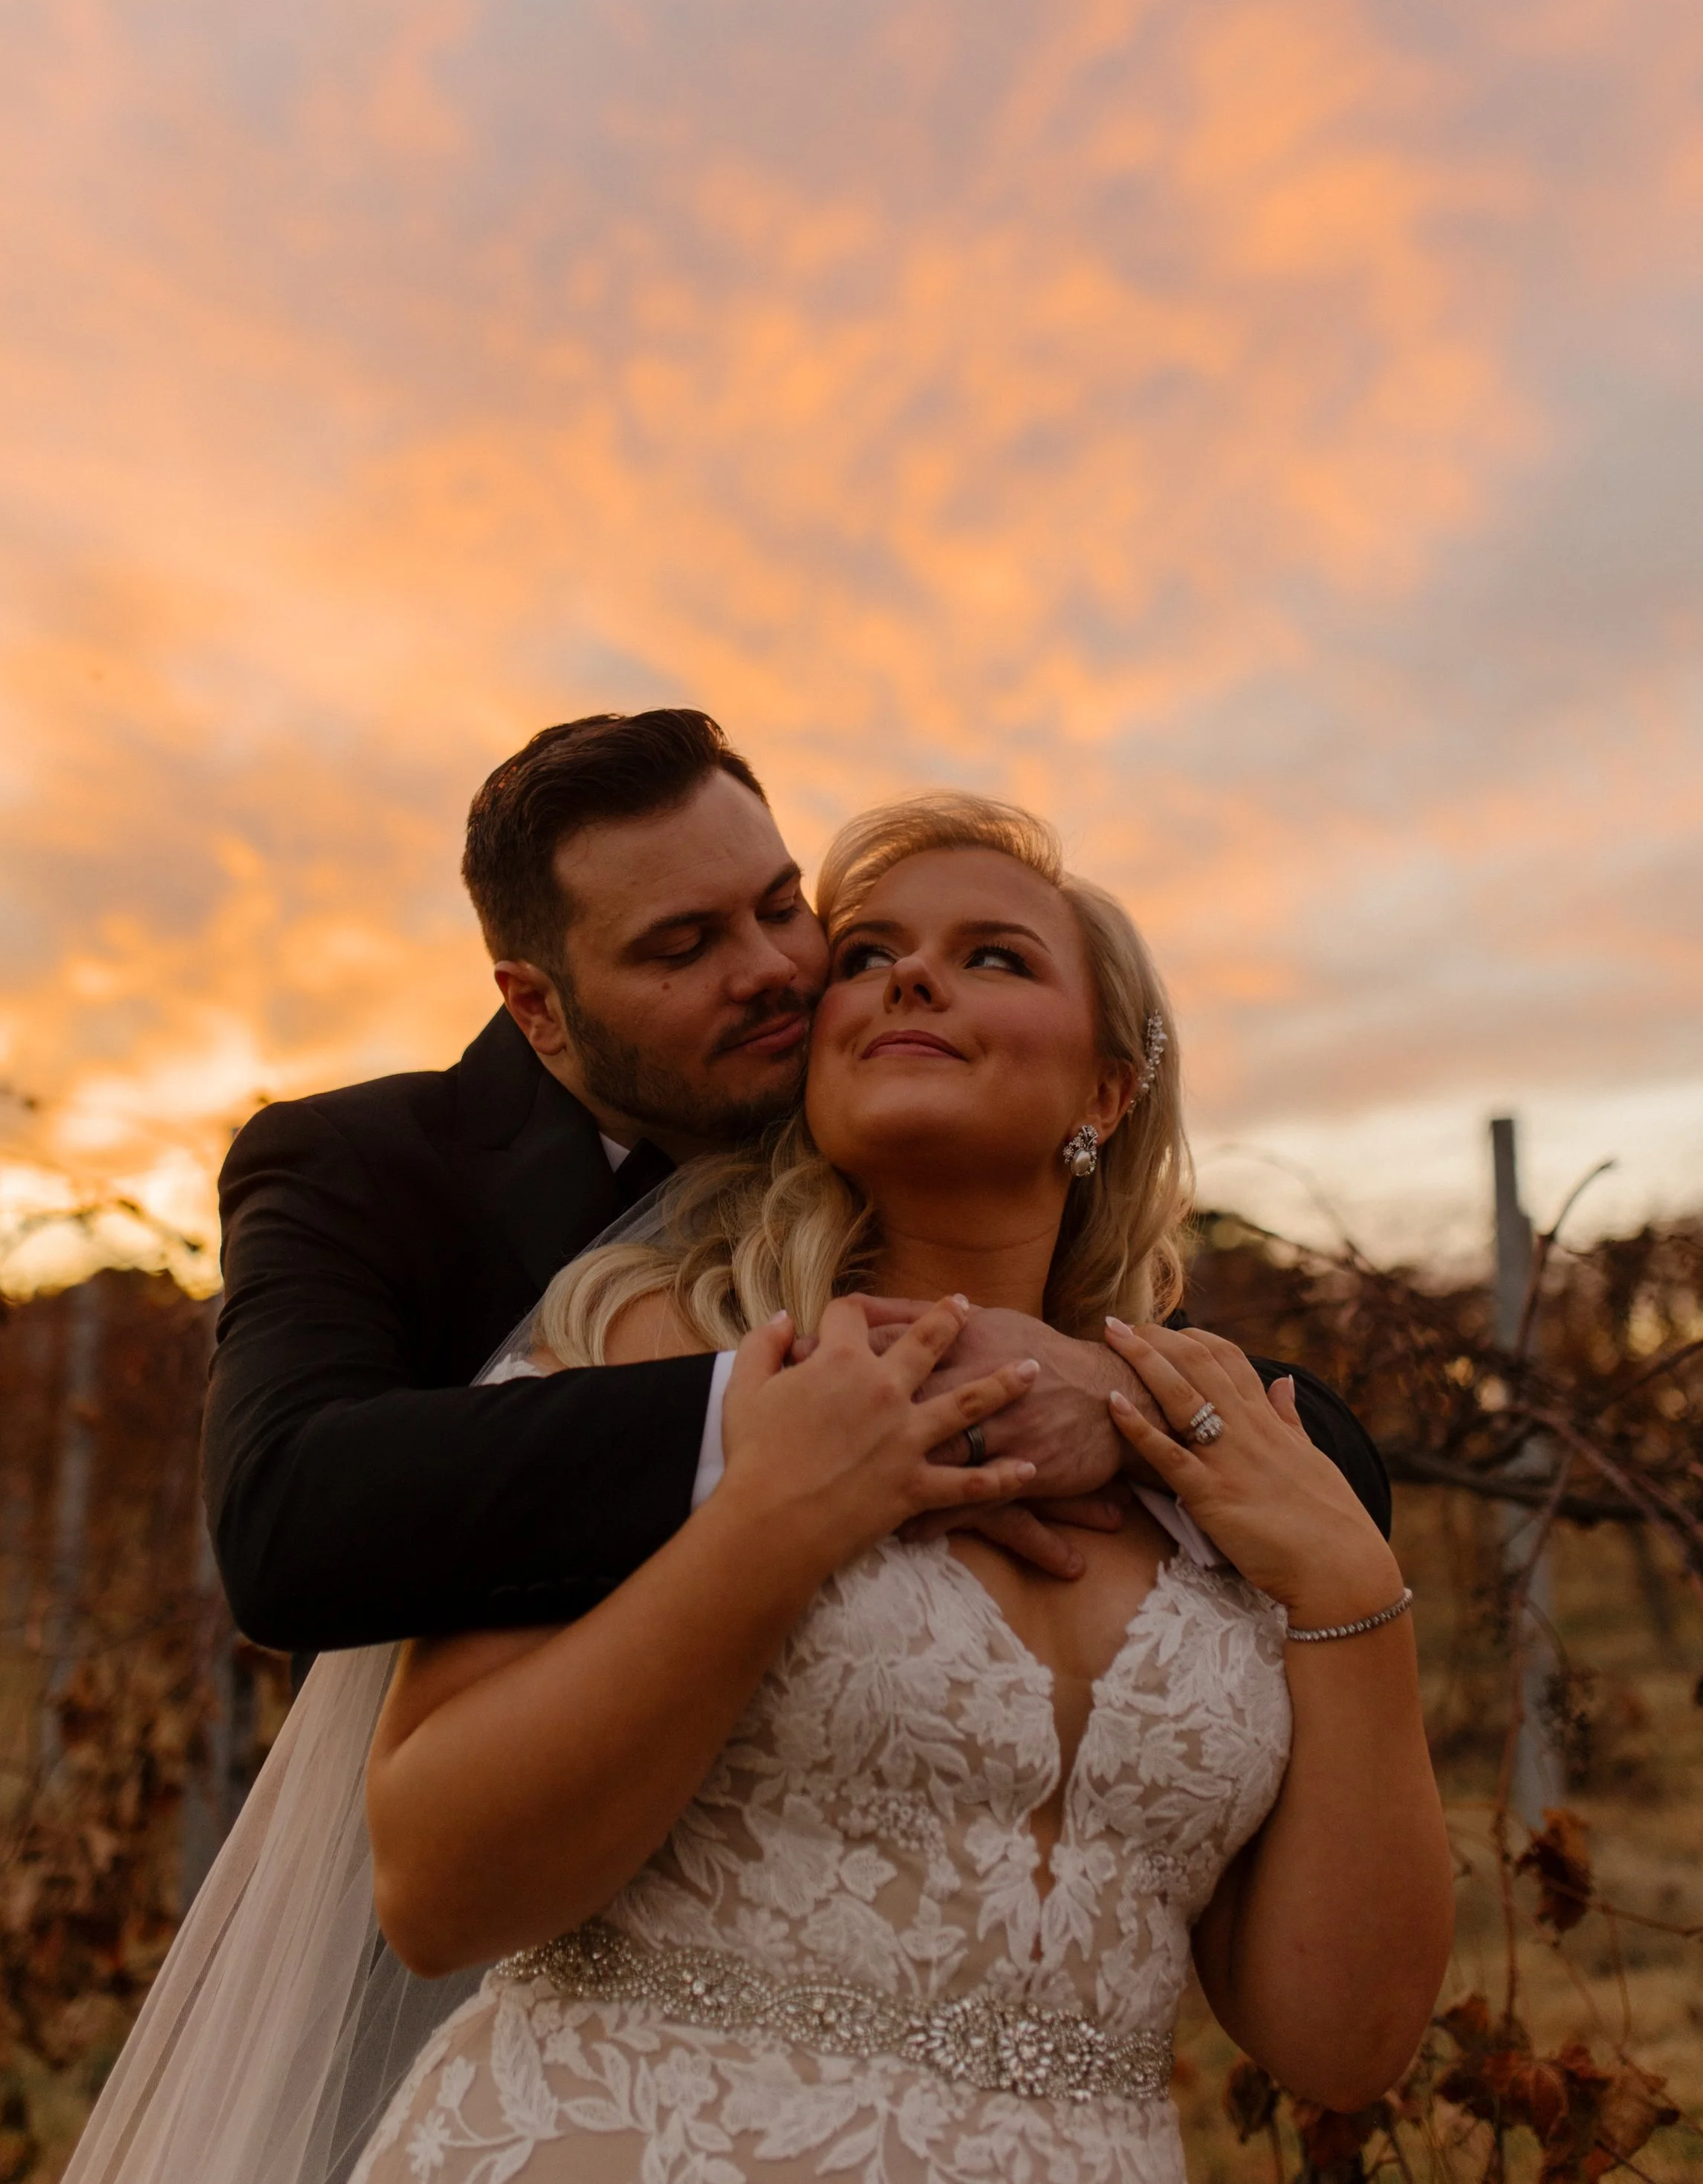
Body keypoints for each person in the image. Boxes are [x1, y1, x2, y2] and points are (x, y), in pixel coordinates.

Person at [351, 795, 1453, 2184]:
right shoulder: (654, 1352)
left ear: (1108, 1091)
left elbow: (1341, 2042)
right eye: (867, 954)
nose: (913, 977)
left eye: (997, 955)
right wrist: (778, 1519)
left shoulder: (1215, 1451)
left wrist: (1355, 1592)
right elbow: (438, 1891)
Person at [204, 712, 1389, 1660]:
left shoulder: (862, 1109)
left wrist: (1112, 1390)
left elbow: (1311, 1438)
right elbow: (288, 1519)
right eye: (685, 947)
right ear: (536, 1005)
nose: (775, 969)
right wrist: (780, 1419)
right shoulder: (356, 1161)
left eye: (783, 909)